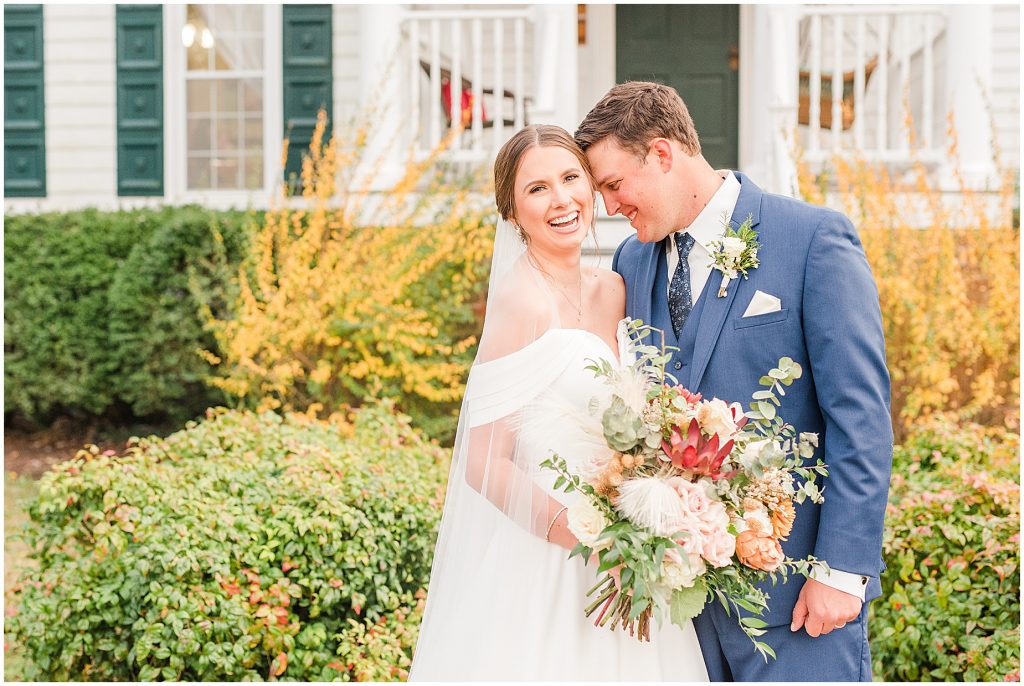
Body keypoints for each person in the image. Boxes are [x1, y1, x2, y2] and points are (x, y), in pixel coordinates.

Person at [574, 81, 893, 682]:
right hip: (676, 617)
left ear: (663, 154)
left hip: (798, 602)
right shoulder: (632, 263)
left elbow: (862, 417)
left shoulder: (813, 240)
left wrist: (842, 572)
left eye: (614, 184)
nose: (611, 206)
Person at [408, 124, 709, 681]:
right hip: (549, 556)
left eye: (571, 178)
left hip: (632, 548)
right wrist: (591, 542)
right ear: (513, 211)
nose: (562, 199)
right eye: (537, 189)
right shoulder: (520, 302)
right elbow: (483, 460)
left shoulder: (615, 288)